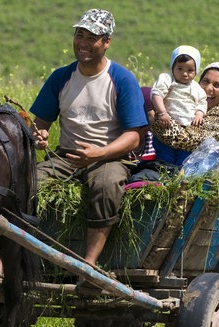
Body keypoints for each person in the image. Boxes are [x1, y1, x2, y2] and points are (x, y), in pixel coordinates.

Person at [29, 8, 148, 266]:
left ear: (106, 42)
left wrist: (99, 153)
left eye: (91, 37)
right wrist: (39, 135)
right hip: (67, 156)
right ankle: (18, 257)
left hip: (109, 158)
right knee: (26, 183)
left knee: (106, 186)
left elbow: (133, 138)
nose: (83, 43)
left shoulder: (122, 79)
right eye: (79, 35)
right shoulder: (61, 77)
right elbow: (40, 123)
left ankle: (89, 263)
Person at [150, 62, 219, 185]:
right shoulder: (198, 109)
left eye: (217, 85)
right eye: (205, 81)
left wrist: (155, 117)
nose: (208, 88)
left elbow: (185, 139)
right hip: (197, 180)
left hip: (217, 185)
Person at [151, 45, 207, 130]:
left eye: (190, 70)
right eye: (180, 68)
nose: (184, 74)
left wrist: (199, 114)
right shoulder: (167, 79)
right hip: (167, 122)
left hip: (189, 126)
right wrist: (162, 113)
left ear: (196, 71)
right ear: (172, 67)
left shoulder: (197, 88)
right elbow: (157, 94)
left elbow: (202, 102)